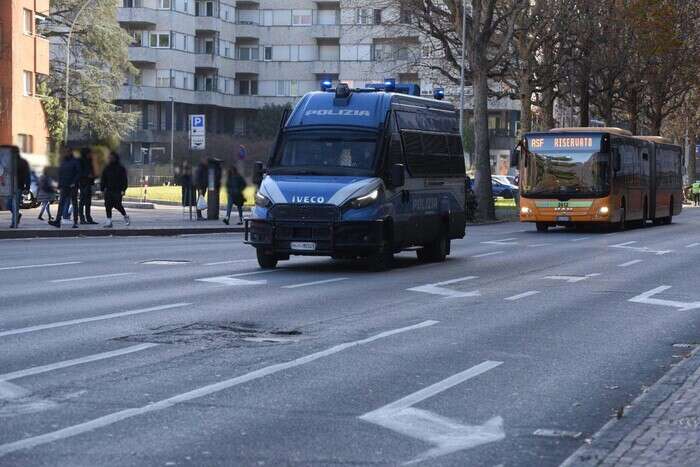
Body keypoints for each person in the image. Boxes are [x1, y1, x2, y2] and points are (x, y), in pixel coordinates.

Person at [49, 149, 81, 229]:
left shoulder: (75, 161)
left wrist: (74, 182)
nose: (66, 153)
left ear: (71, 152)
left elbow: (79, 173)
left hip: (72, 186)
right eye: (65, 152)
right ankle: (57, 221)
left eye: (68, 152)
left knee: (74, 203)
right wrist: (59, 184)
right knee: (61, 203)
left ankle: (75, 222)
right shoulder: (63, 162)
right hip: (64, 185)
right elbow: (60, 173)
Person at [101, 151, 130, 228]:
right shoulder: (107, 168)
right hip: (108, 189)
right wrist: (102, 188)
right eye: (109, 158)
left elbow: (124, 180)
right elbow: (103, 179)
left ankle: (125, 215)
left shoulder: (121, 168)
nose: (110, 159)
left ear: (115, 158)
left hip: (117, 190)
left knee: (117, 205)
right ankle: (109, 221)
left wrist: (123, 189)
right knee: (108, 205)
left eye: (112, 158)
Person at [8, 152, 30, 228]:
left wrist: (27, 187)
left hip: (18, 186)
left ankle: (14, 223)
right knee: (8, 204)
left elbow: (27, 175)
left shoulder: (23, 162)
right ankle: (17, 214)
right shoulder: (9, 162)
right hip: (10, 187)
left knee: (15, 205)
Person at [78, 147, 98, 224]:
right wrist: (87, 175)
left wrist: (93, 175)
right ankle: (82, 219)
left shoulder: (90, 161)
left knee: (88, 202)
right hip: (83, 183)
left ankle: (89, 218)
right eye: (90, 153)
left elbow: (94, 171)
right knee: (82, 201)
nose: (91, 155)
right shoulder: (81, 161)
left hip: (89, 183)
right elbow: (79, 172)